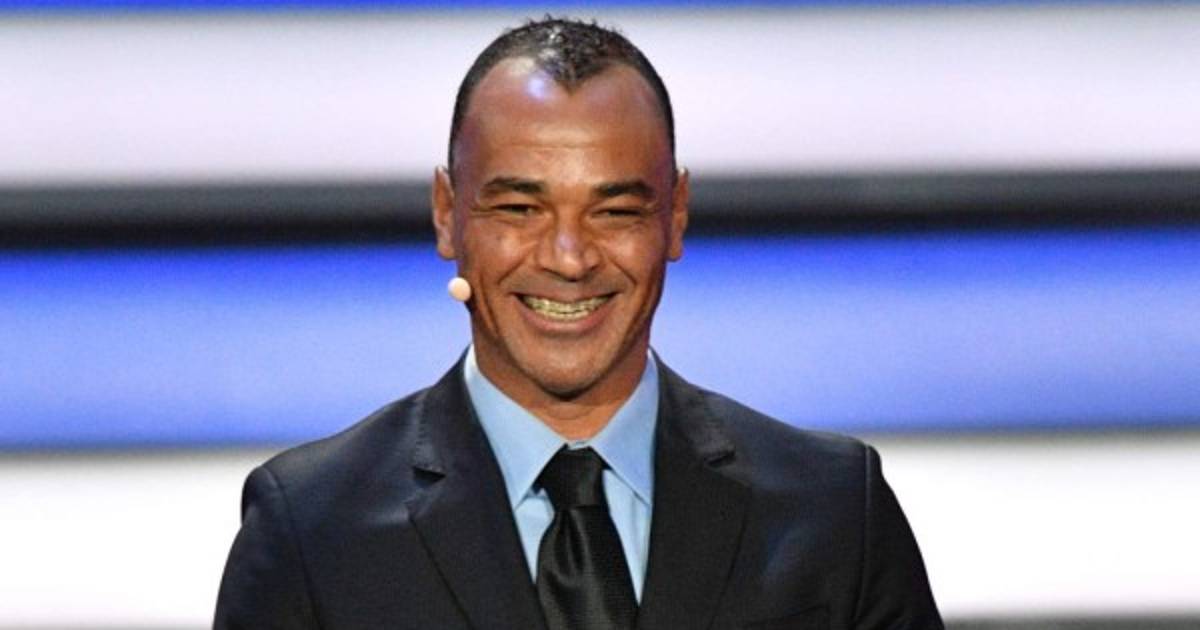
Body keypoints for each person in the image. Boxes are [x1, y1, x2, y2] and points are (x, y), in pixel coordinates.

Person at [214, 17, 942, 630]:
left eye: (615, 211)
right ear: (447, 213)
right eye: (519, 209)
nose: (569, 258)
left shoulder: (834, 513)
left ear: (675, 216)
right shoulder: (312, 530)